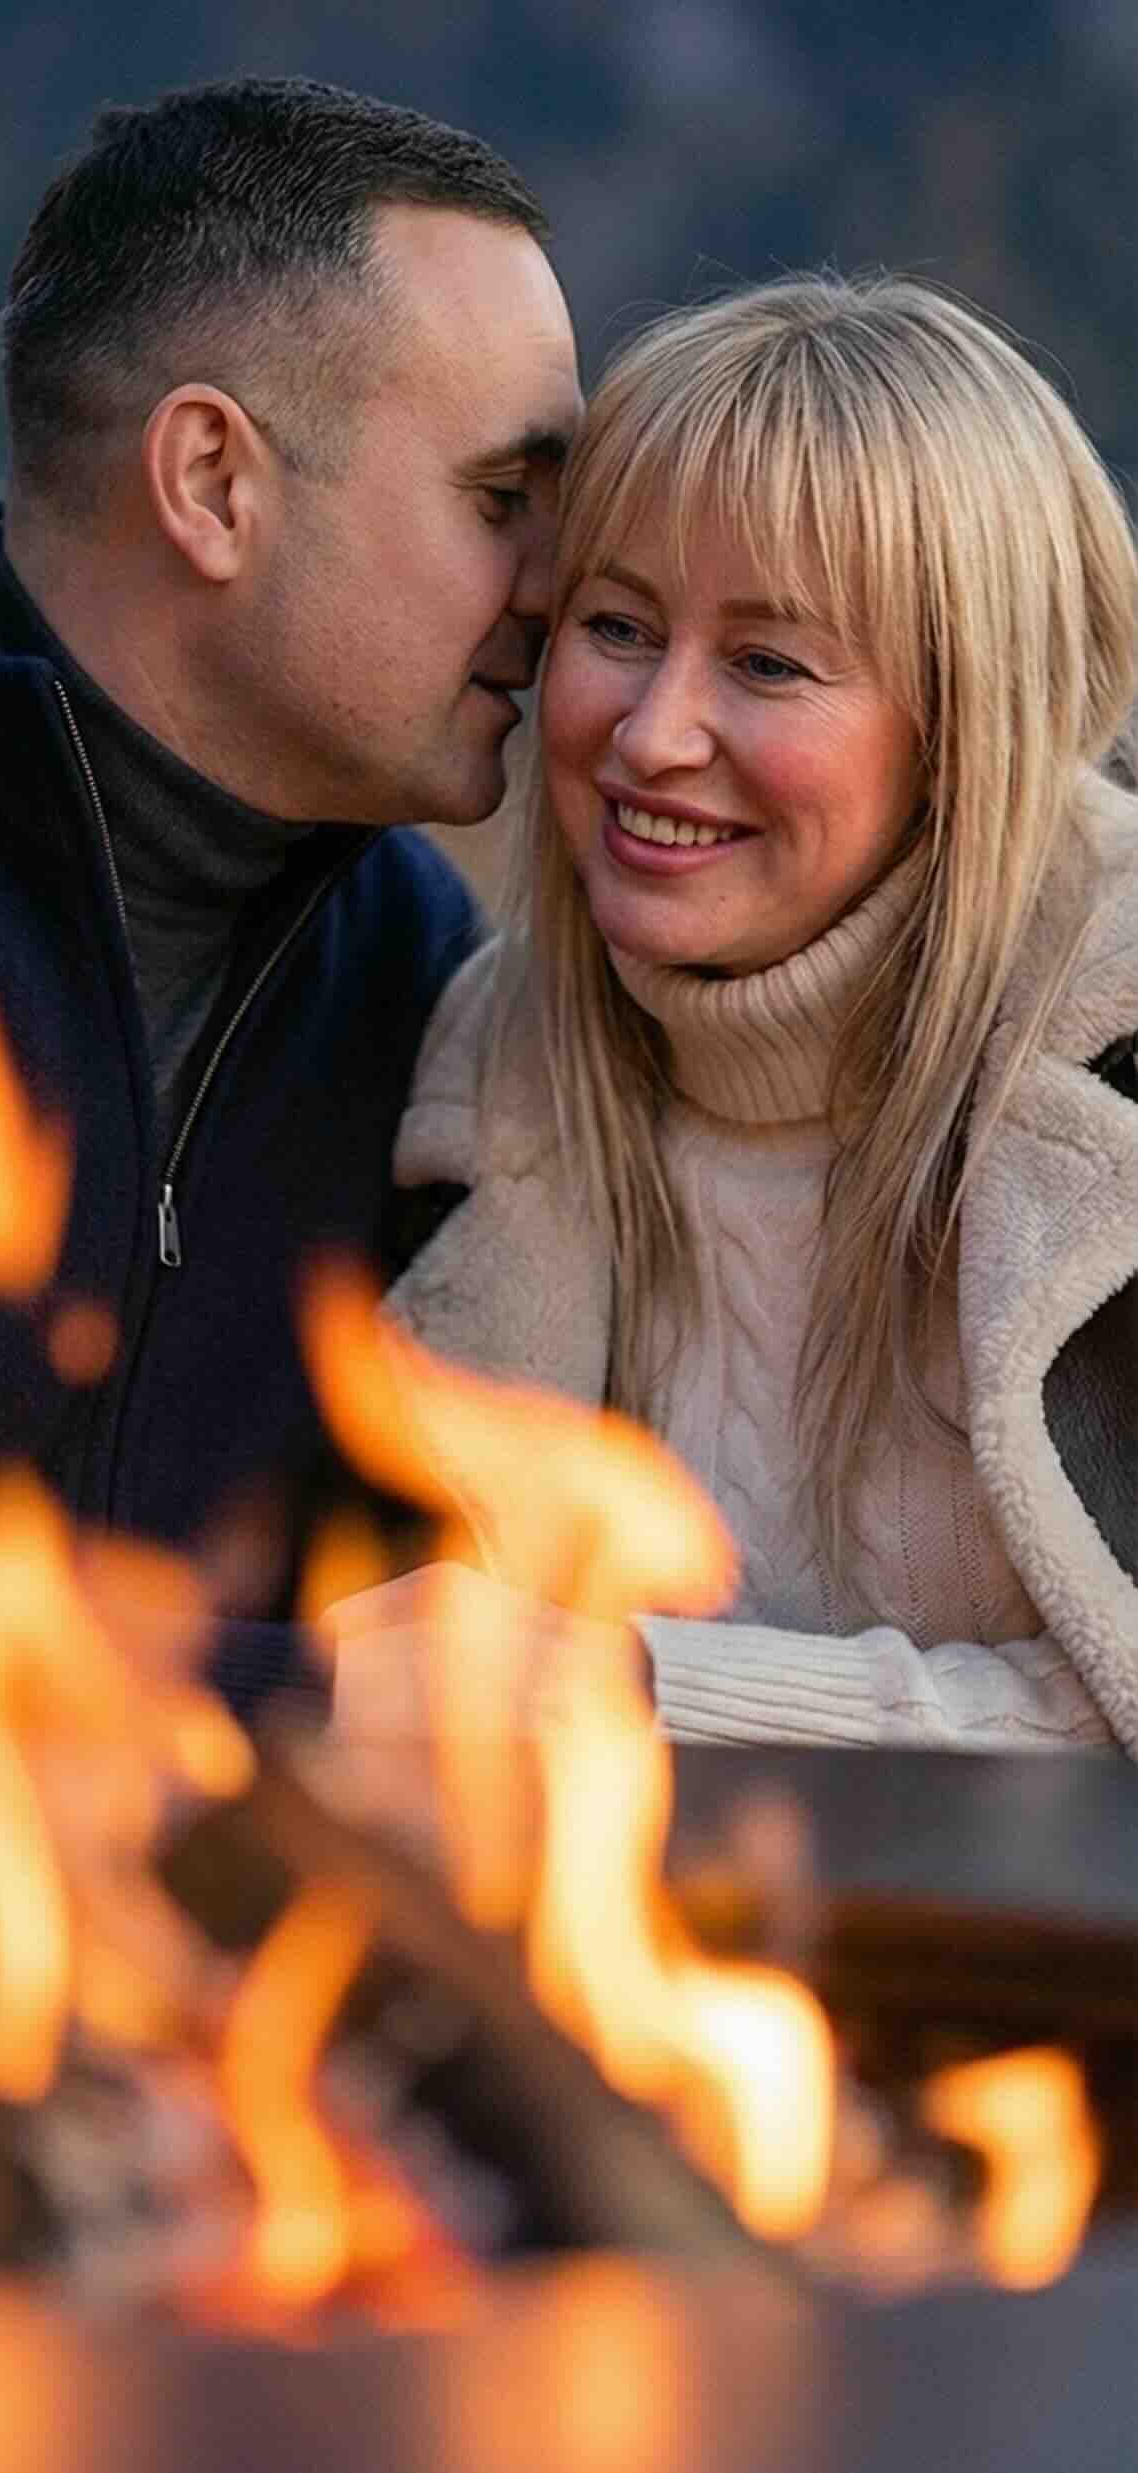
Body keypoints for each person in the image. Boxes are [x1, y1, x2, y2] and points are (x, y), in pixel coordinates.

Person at [0, 77, 582, 1747]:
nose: (556, 586)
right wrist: (297, 1695)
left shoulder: (409, 962)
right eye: (499, 501)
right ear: (211, 481)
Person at [359, 271, 1138, 1758]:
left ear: (968, 724)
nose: (652, 735)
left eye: (768, 663)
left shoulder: (1121, 1066)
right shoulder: (489, 1055)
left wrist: (639, 1689)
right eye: (617, 626)